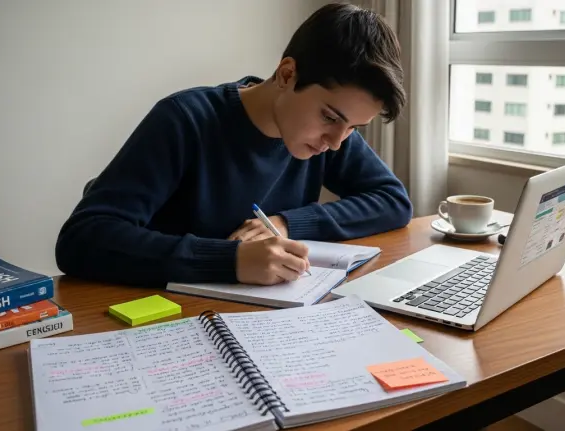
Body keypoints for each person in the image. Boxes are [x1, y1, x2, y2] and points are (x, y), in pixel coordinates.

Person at [54, 2, 412, 288]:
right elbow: (82, 240)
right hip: (167, 317)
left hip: (268, 320)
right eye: (331, 118)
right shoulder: (185, 119)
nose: (337, 143)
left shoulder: (331, 132)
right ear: (287, 75)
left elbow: (393, 202)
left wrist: (288, 224)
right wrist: (231, 260)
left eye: (354, 127)